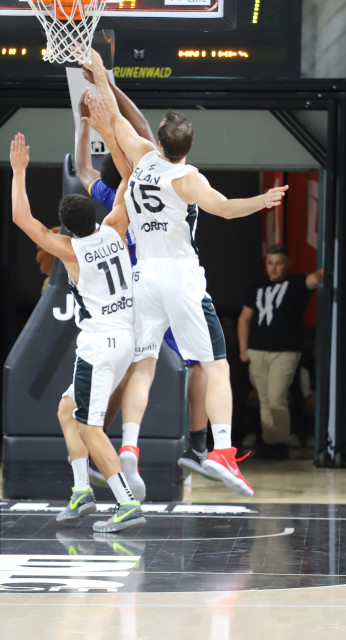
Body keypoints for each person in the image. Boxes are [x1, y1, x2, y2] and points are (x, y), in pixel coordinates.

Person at [84, 50, 290, 498]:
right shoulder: (189, 178)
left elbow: (119, 116)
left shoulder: (139, 159)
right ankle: (220, 452)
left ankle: (129, 451)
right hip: (181, 277)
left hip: (145, 279)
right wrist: (263, 200)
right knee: (217, 367)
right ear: (188, 148)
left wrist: (100, 72)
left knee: (143, 367)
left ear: (157, 140)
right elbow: (226, 209)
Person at [73, 83, 216, 487]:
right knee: (203, 364)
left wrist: (86, 126)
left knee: (131, 373)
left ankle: (97, 449)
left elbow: (84, 170)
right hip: (169, 279)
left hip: (134, 292)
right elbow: (136, 125)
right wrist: (112, 89)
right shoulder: (167, 178)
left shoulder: (114, 200)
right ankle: (198, 444)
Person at [10, 128, 148, 531]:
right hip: (125, 337)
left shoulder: (71, 251)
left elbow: (22, 219)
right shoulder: (115, 229)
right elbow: (127, 183)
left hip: (99, 344)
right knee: (66, 410)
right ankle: (80, 490)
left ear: (67, 229)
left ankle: (125, 503)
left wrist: (20, 171)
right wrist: (114, 136)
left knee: (89, 426)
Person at [237, 246, 322, 459]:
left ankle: (280, 442)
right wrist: (243, 349)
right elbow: (244, 318)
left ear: (287, 264)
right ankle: (270, 442)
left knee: (276, 399)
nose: (274, 268)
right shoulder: (257, 286)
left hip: (285, 351)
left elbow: (316, 278)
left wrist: (327, 268)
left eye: (279, 263)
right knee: (265, 401)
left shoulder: (296, 283)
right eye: (270, 263)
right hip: (257, 350)